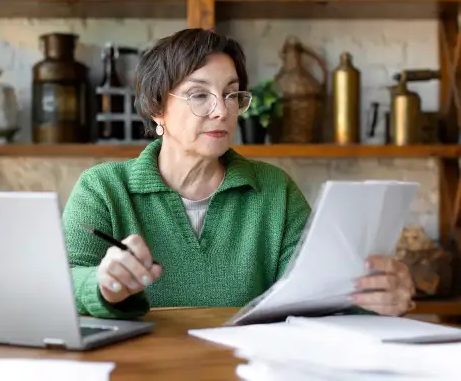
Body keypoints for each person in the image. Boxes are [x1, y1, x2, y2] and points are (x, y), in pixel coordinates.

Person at [62, 28, 416, 320]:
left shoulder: (275, 189)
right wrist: (102, 283)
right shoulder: (103, 188)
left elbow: (314, 295)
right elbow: (62, 282)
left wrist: (373, 299)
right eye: (199, 95)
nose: (222, 111)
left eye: (231, 94)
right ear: (157, 109)